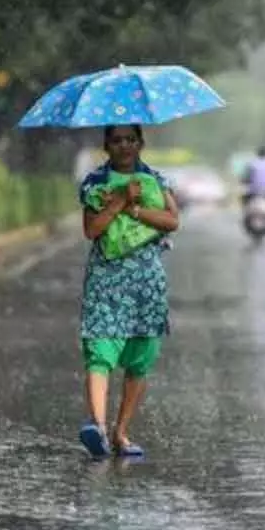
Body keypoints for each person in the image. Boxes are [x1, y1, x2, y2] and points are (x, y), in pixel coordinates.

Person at [77, 124, 180, 458]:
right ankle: (99, 428)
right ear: (106, 144)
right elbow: (92, 230)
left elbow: (171, 221)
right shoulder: (94, 183)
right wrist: (119, 201)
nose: (124, 146)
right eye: (117, 140)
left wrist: (135, 208)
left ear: (141, 143)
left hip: (146, 280)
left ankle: (121, 433)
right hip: (106, 278)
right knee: (100, 348)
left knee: (140, 356)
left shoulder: (155, 179)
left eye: (130, 140)